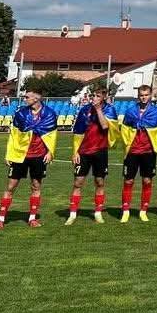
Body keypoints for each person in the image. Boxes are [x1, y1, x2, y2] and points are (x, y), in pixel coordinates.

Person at [0, 90, 59, 230]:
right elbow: (13, 135)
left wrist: (50, 152)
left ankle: (32, 218)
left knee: (36, 186)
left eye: (27, 97)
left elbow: (52, 134)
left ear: (36, 99)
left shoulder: (49, 114)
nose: (24, 99)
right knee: (11, 186)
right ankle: (1, 219)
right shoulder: (21, 114)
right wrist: (9, 154)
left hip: (39, 156)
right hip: (20, 155)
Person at [66, 88, 117, 225]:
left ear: (104, 98)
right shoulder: (84, 110)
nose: (94, 98)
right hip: (83, 152)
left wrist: (98, 110)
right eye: (93, 95)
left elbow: (105, 126)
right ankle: (72, 214)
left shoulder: (109, 110)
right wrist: (75, 152)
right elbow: (78, 132)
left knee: (99, 182)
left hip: (100, 151)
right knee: (78, 182)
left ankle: (98, 213)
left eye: (97, 96)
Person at [118, 85, 157, 223]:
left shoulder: (156, 112)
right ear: (138, 96)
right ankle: (125, 211)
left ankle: (143, 211)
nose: (144, 97)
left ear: (150, 95)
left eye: (146, 95)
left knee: (147, 181)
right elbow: (124, 130)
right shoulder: (130, 111)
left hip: (148, 151)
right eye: (141, 95)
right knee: (128, 181)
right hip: (132, 151)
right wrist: (128, 144)